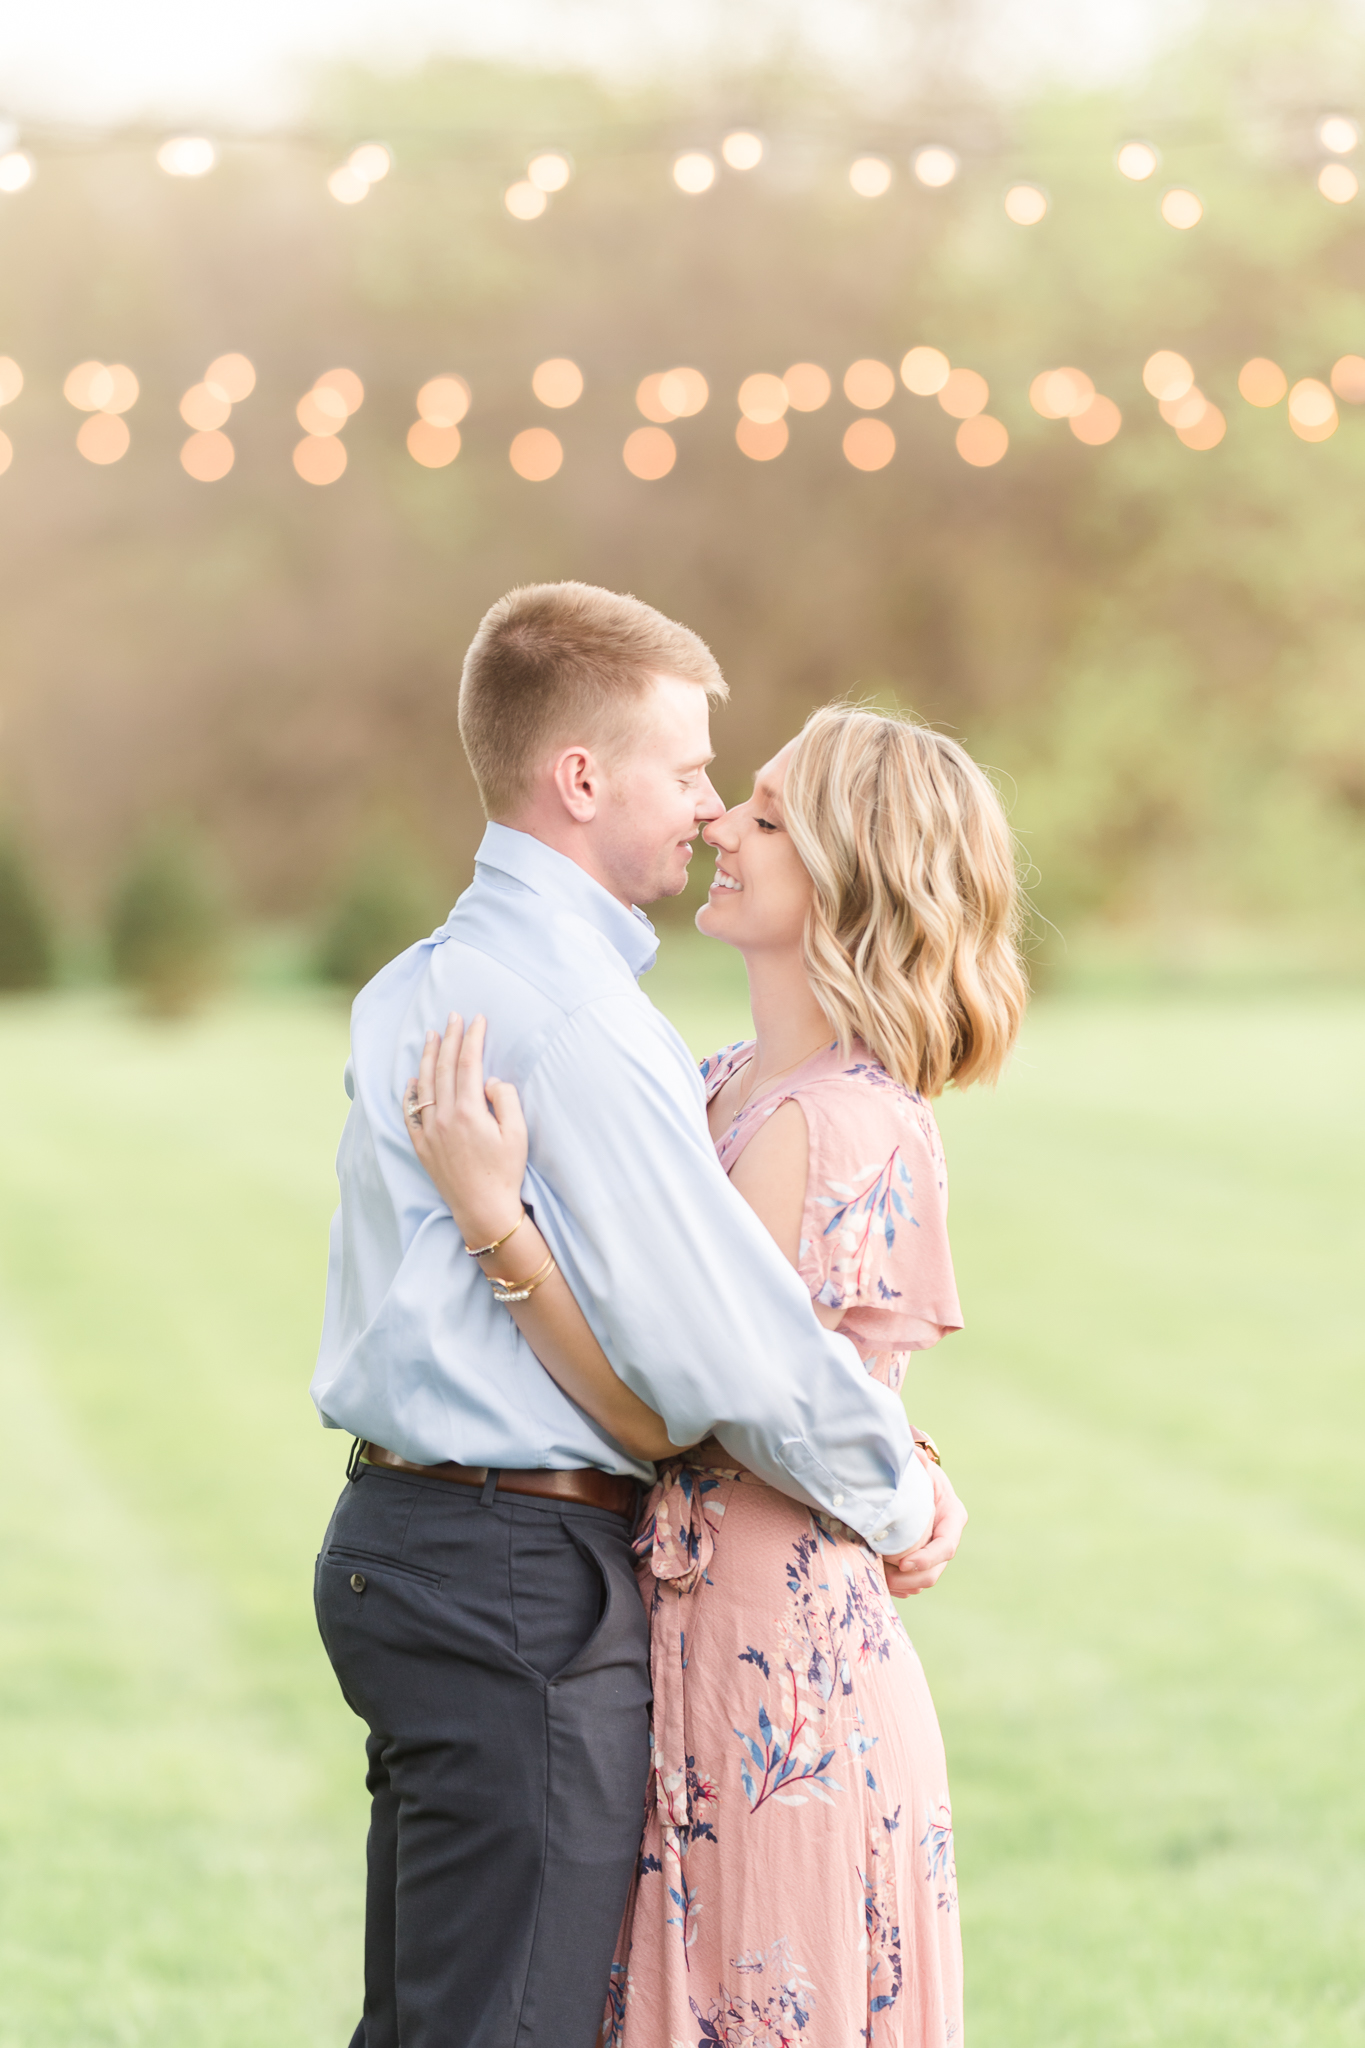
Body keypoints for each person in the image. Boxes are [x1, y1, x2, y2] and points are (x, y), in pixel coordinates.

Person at [310, 584, 960, 2048]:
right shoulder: (581, 1026)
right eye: (689, 772)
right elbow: (722, 1368)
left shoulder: (430, 979)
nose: (712, 809)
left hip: (435, 1555)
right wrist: (900, 1493)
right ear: (582, 777)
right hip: (513, 1572)